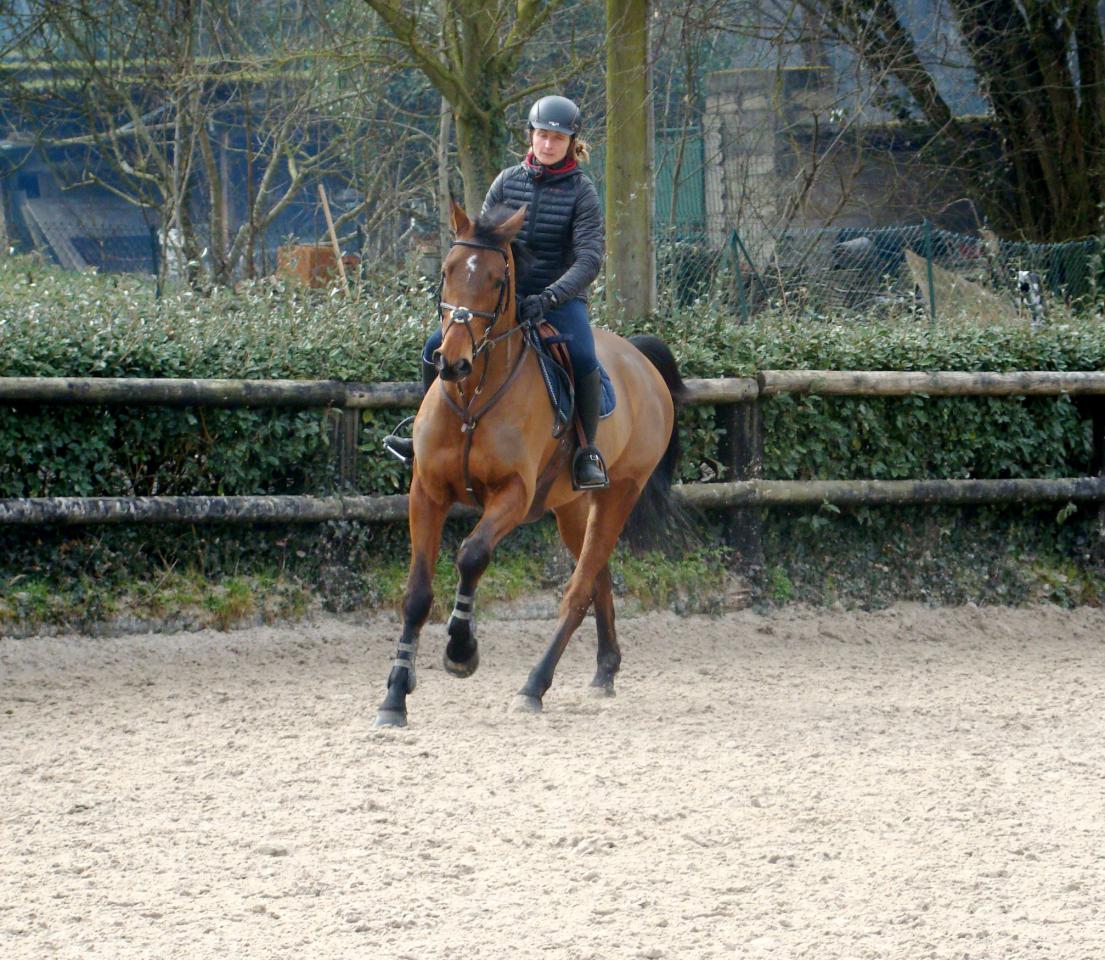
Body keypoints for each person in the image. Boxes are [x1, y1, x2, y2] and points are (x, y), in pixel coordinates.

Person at [385, 94, 608, 490]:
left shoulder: (583, 193)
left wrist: (550, 297)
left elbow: (589, 259)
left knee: (583, 355)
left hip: (557, 300)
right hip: (499, 301)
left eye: (557, 138)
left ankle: (586, 452)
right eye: (542, 135)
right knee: (434, 345)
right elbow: (480, 240)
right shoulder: (507, 182)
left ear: (572, 142)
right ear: (531, 136)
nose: (548, 144)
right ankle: (423, 434)